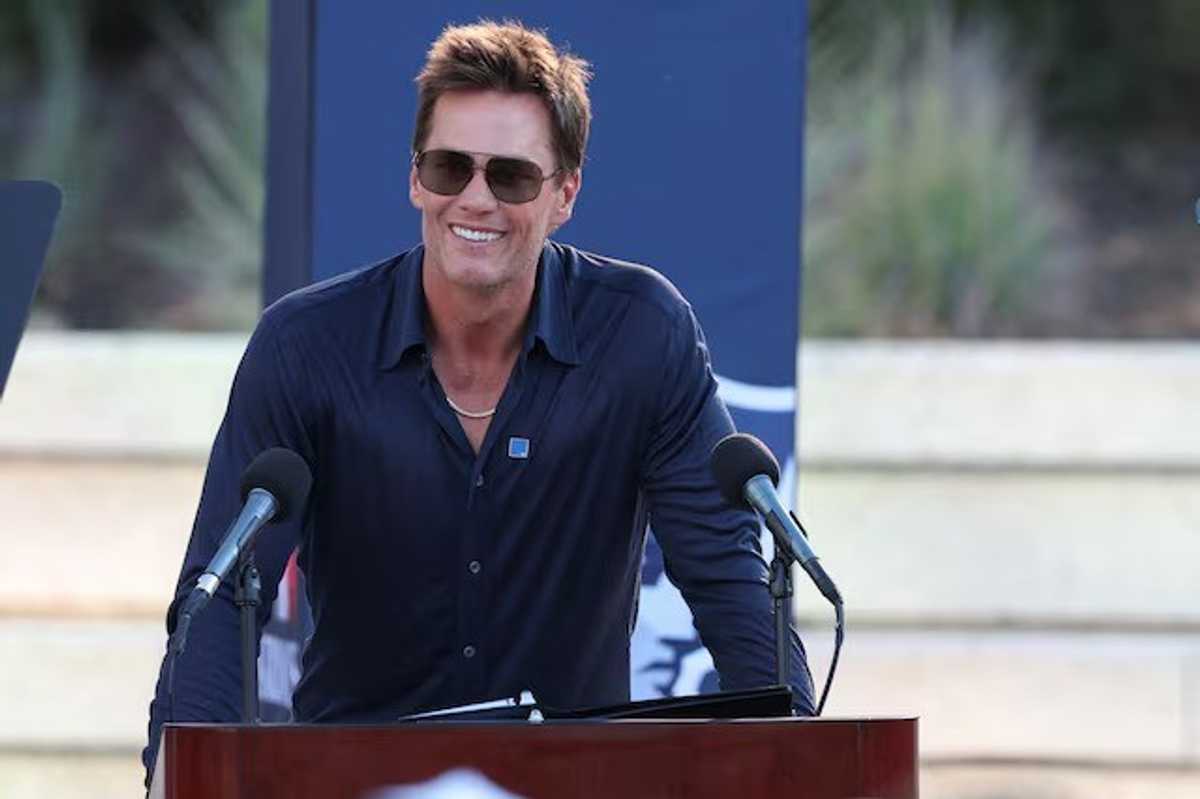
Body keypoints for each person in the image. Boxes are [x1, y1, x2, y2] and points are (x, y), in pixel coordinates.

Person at [143, 19, 814, 784]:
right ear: (413, 178)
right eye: (449, 166)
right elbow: (220, 596)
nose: (475, 198)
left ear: (565, 193)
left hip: (571, 780)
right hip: (356, 781)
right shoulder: (306, 345)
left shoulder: (641, 334)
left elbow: (730, 583)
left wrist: (796, 766)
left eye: (511, 176)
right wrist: (184, 777)